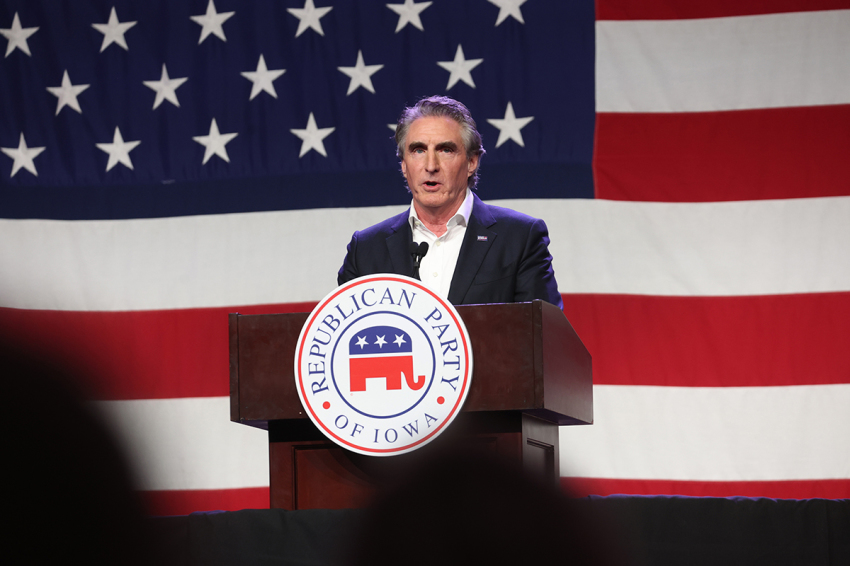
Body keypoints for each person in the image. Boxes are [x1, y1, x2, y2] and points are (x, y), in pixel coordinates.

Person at [338, 96, 562, 308]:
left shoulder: (520, 238)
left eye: (445, 150)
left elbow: (543, 331)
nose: (431, 166)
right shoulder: (366, 250)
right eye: (418, 150)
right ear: (404, 165)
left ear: (472, 162)